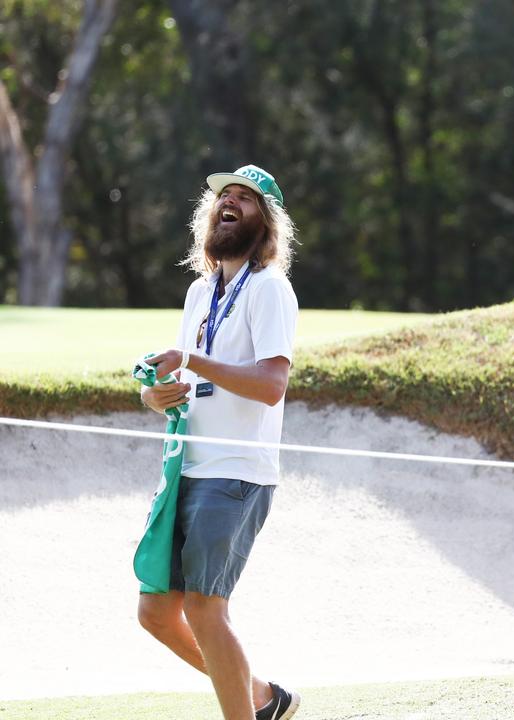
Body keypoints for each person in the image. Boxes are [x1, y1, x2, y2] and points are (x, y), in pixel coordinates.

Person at [136, 164, 301, 720]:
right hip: (187, 467)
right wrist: (157, 396)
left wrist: (192, 360)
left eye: (245, 200)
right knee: (156, 612)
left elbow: (271, 385)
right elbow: (185, 383)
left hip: (235, 473)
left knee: (207, 609)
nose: (228, 204)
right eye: (223, 197)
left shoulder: (271, 288)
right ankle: (260, 697)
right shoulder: (200, 290)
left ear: (265, 222)